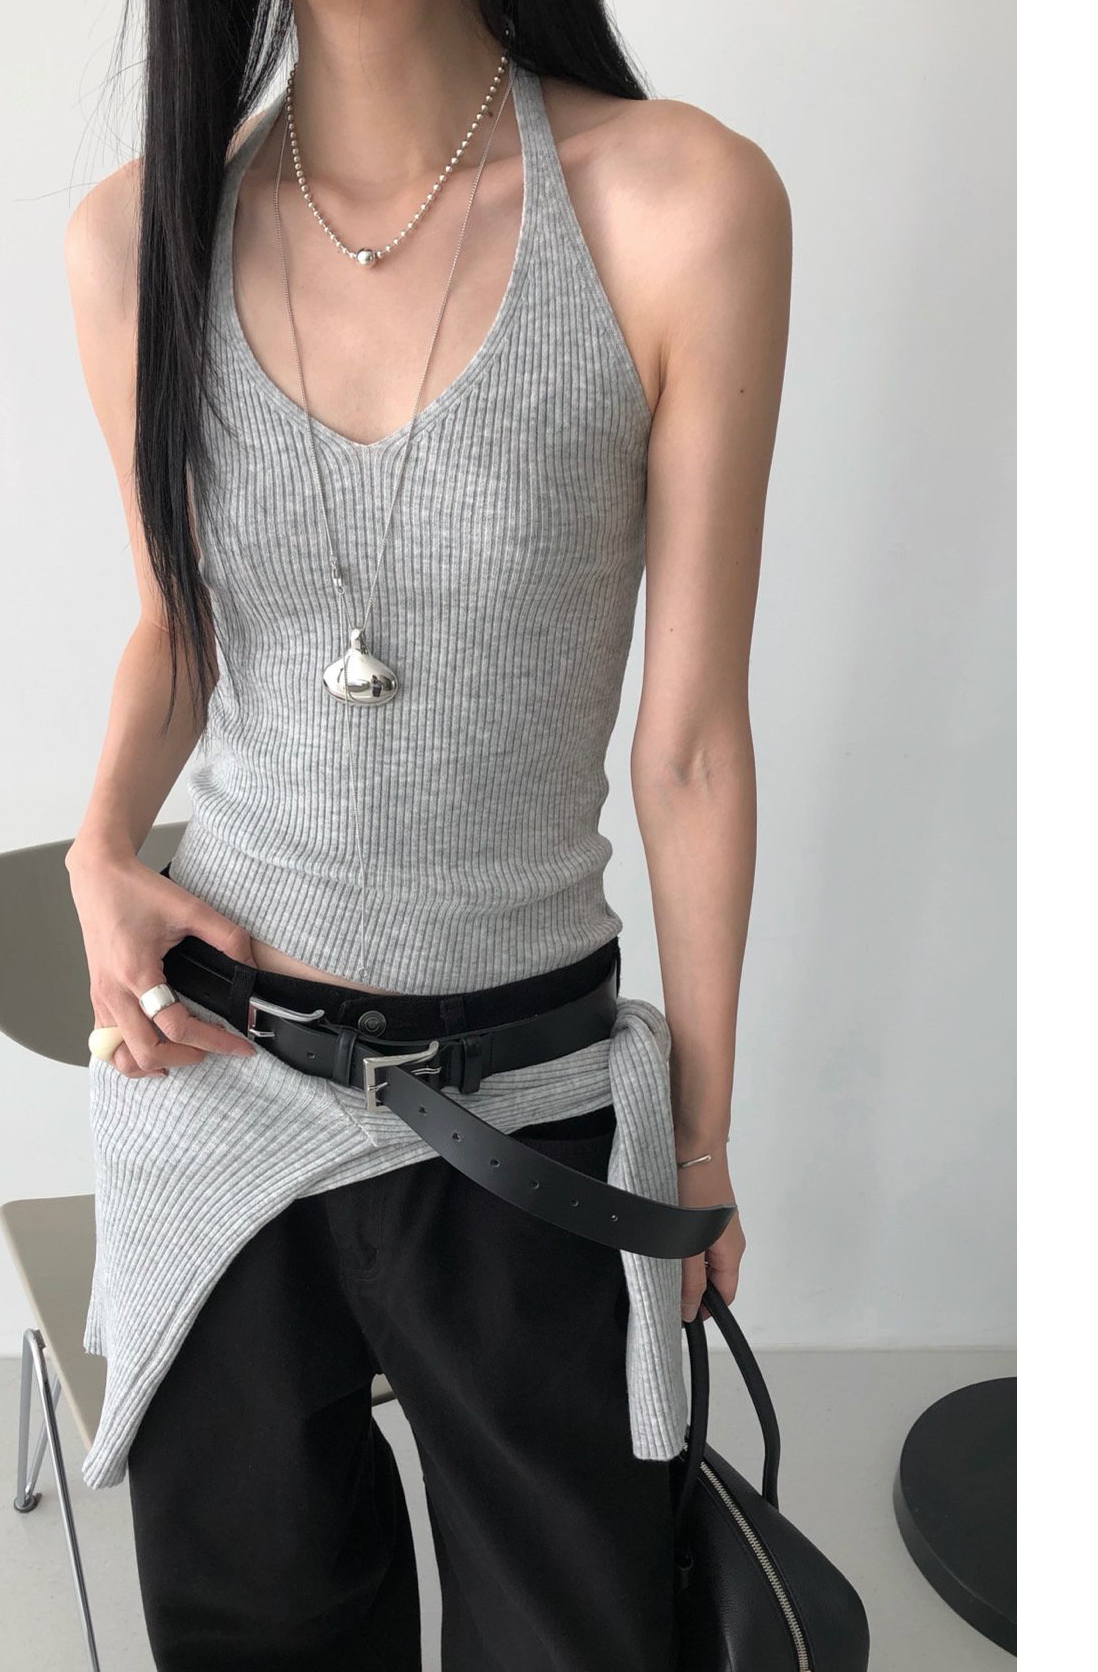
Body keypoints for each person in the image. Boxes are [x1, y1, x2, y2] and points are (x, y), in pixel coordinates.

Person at [61, 1, 790, 1665]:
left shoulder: (677, 204)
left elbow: (689, 748)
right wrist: (99, 843)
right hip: (215, 1083)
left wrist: (698, 1146)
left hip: (530, 1110)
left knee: (580, 1630)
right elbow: (178, 623)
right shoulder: (135, 241)